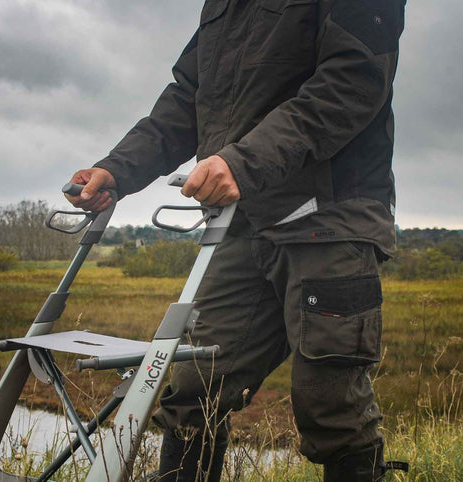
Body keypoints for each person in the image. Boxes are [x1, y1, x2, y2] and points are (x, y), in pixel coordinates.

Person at [66, 0, 406, 480]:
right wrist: (118, 169)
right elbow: (188, 97)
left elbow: (353, 81)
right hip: (244, 220)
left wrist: (243, 163)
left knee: (330, 403)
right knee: (191, 390)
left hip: (329, 218)